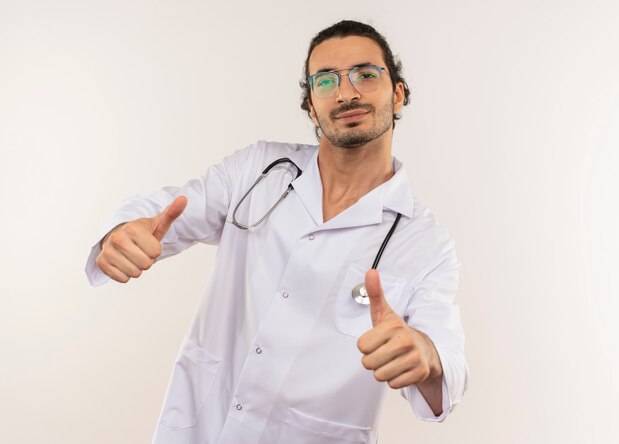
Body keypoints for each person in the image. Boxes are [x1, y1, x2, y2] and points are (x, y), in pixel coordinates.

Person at [86, 19, 468, 444]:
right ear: (311, 106)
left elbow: (446, 364)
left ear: (397, 94)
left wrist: (426, 357)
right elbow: (156, 214)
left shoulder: (427, 243)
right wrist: (120, 233)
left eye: (365, 74)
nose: (346, 93)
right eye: (326, 81)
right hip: (200, 430)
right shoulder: (258, 170)